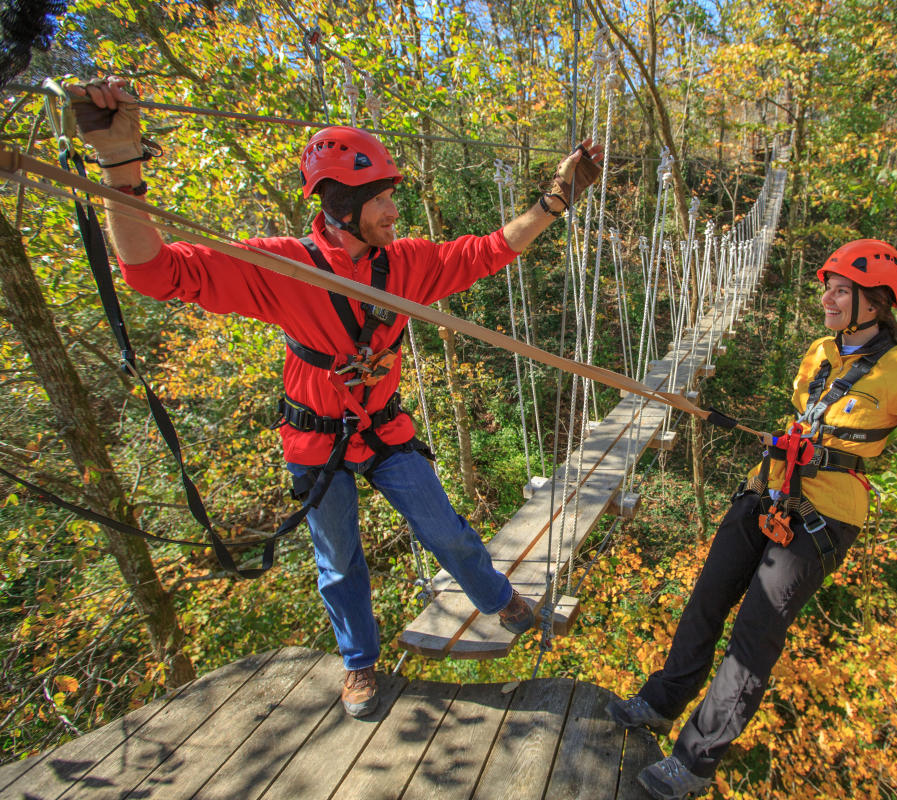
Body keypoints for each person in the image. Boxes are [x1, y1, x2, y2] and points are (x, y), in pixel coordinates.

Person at [68, 77, 603, 718]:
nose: (393, 214)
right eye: (380, 201)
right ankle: (359, 664)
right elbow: (154, 272)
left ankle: (498, 599)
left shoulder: (404, 263)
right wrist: (120, 164)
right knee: (340, 561)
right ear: (340, 205)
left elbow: (490, 251)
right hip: (317, 441)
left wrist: (557, 197)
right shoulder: (283, 267)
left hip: (383, 430)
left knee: (445, 529)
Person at [606, 239, 897, 799]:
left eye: (842, 291)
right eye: (829, 287)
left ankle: (696, 761)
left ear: (875, 303)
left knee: (754, 634)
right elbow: (806, 418)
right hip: (766, 490)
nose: (828, 298)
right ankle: (660, 701)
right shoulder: (820, 350)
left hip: (825, 515)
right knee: (707, 598)